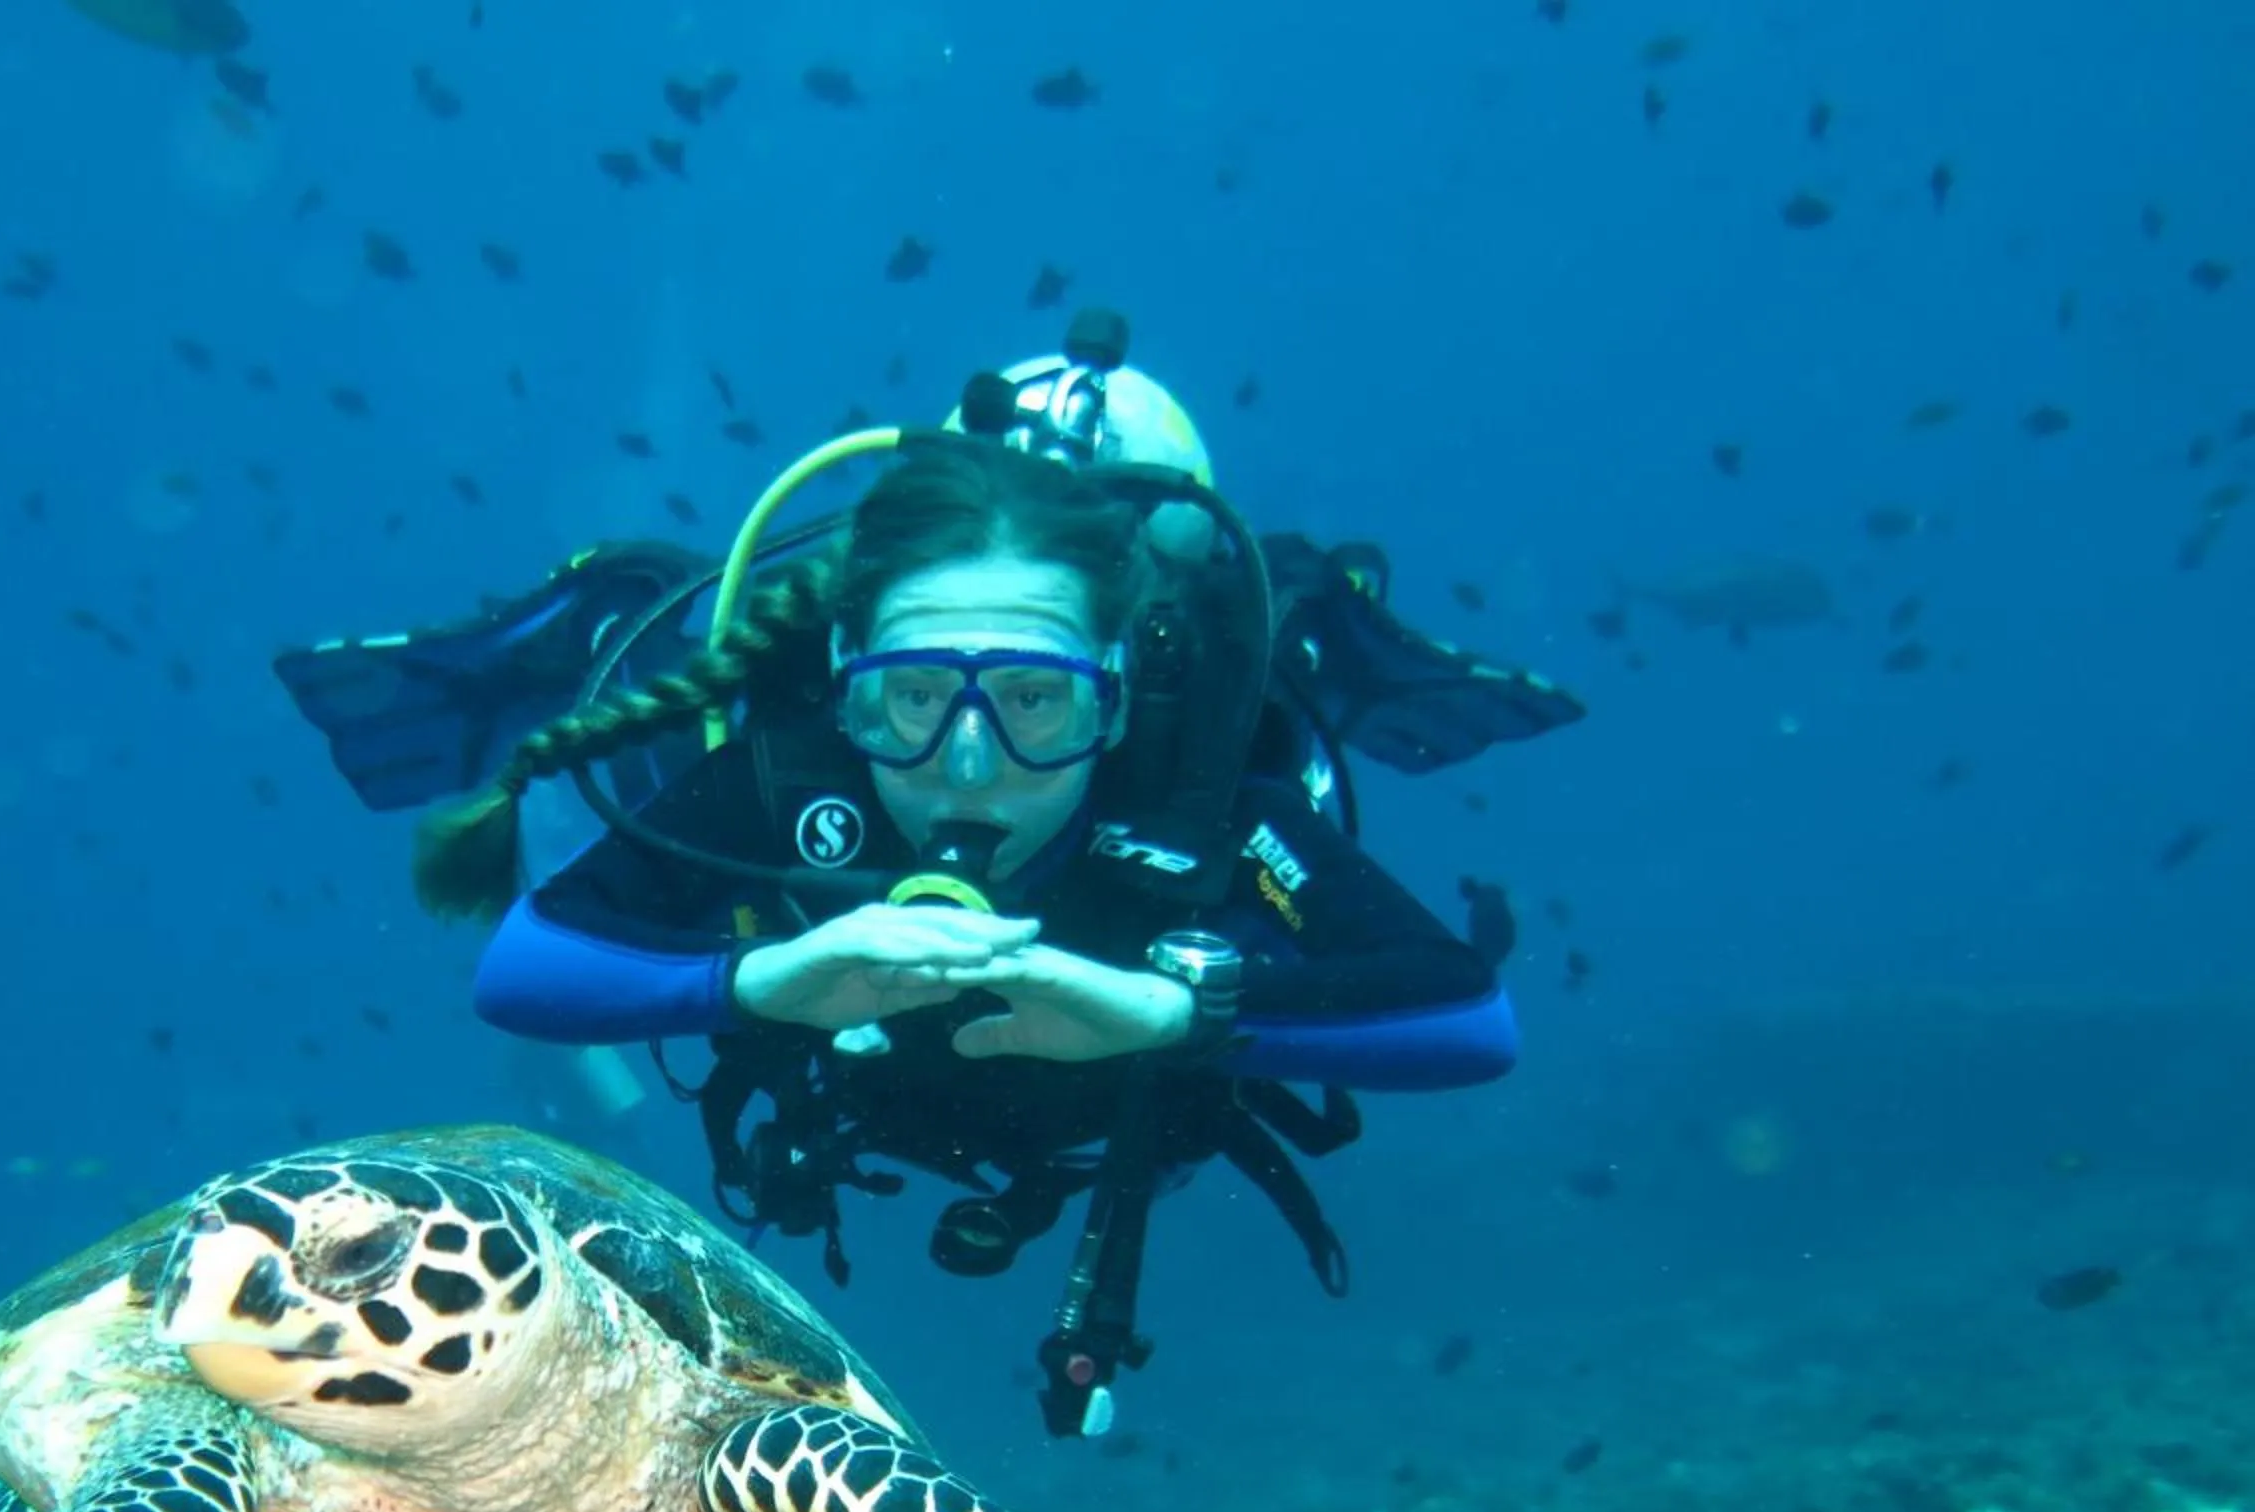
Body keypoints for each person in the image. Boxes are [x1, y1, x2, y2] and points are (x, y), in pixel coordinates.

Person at [282, 313, 1586, 1436]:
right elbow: (523, 967)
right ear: (845, 678)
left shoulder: (1194, 796)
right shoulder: (800, 775)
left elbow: (1470, 1019)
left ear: (1119, 699)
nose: (969, 762)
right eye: (910, 696)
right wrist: (767, 980)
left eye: (1036, 698)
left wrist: (1175, 1011)